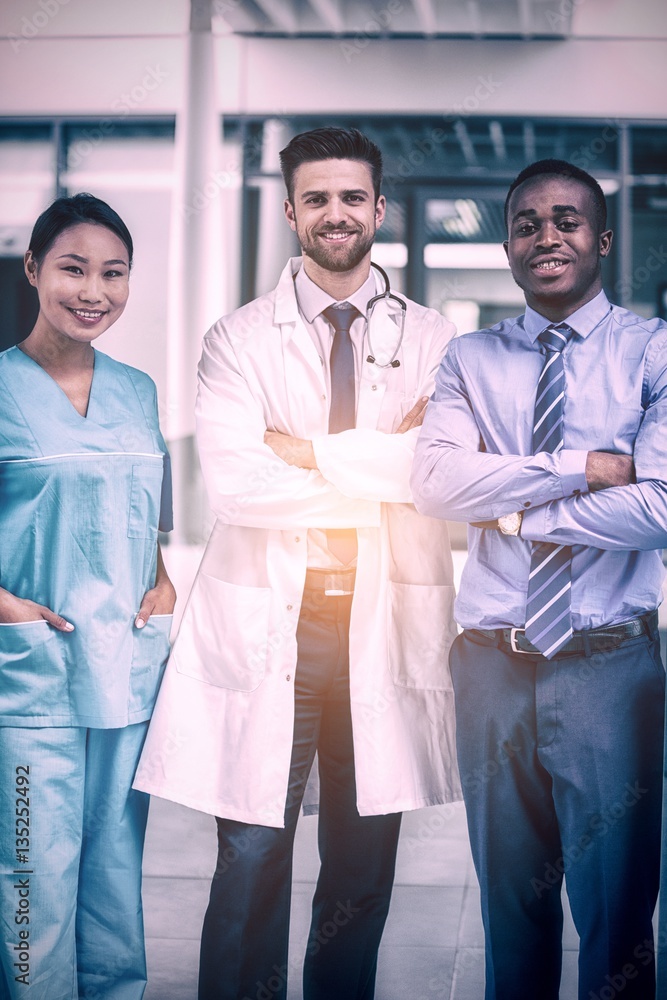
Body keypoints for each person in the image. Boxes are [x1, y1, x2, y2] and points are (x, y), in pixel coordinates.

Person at [134, 126, 460, 1000]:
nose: (335, 213)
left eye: (352, 196)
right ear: (289, 211)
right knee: (250, 845)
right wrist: (377, 464)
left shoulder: (433, 340)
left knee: (363, 850)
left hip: (379, 619)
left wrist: (309, 454)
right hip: (276, 619)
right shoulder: (236, 340)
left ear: (378, 208)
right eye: (316, 197)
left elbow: (435, 480)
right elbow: (241, 490)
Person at [411, 158, 667, 1000]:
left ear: (599, 238)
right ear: (509, 245)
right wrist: (578, 467)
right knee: (509, 915)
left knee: (617, 917)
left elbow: (657, 507)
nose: (545, 235)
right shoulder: (467, 359)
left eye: (565, 220)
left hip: (607, 667)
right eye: (525, 223)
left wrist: (515, 508)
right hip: (490, 664)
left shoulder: (651, 353)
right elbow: (439, 485)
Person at [0, 193, 176, 1000]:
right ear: (34, 269)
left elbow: (146, 516)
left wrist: (162, 578)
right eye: (73, 268)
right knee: (31, 870)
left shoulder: (138, 392)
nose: (93, 290)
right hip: (32, 675)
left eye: (113, 273)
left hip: (126, 667)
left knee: (114, 869)